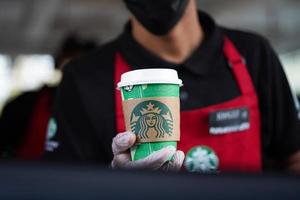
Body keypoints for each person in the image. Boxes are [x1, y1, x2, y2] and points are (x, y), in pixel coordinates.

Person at [44, 0, 300, 173]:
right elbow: (60, 185)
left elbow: (293, 157)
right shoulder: (84, 77)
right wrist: (116, 185)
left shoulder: (254, 55)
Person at [0, 34, 97, 160]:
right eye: (70, 62)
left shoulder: (102, 109)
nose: (75, 71)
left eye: (83, 65)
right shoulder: (25, 104)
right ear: (59, 64)